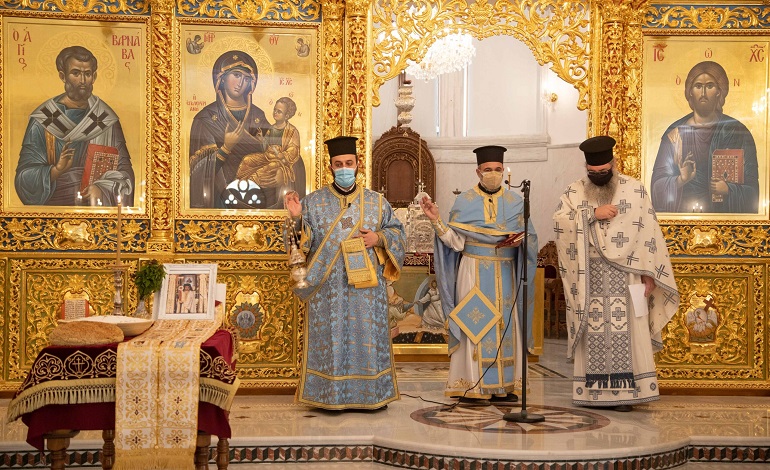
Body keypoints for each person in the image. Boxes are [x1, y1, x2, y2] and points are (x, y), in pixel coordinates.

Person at [553, 135, 680, 412]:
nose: (598, 176)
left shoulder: (635, 190)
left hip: (629, 275)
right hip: (590, 277)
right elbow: (560, 223)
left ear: (613, 164)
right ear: (586, 169)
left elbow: (649, 234)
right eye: (593, 172)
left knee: (631, 329)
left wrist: (649, 274)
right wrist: (591, 213)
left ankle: (628, 393)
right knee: (595, 331)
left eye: (604, 171)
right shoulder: (574, 192)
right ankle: (594, 393)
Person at [284, 135, 406, 410]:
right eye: (338, 164)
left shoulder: (377, 202)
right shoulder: (312, 203)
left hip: (367, 291)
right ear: (330, 167)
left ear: (358, 164)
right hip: (329, 290)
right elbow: (298, 247)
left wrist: (379, 238)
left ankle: (371, 395)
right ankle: (328, 395)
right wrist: (296, 218)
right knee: (332, 340)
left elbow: (398, 233)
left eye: (348, 163)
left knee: (367, 339)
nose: (344, 168)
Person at [419, 145, 537, 401]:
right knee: (475, 324)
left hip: (506, 271)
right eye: (488, 169)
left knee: (507, 324)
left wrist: (521, 241)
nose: (493, 174)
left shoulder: (516, 202)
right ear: (478, 172)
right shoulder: (465, 202)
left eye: (498, 169)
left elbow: (531, 237)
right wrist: (436, 220)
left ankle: (505, 385)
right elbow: (454, 242)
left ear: (503, 170)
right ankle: (473, 385)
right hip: (472, 271)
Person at [15, 45, 135, 206]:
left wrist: (101, 189)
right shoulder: (44, 118)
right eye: (76, 73)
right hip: (53, 211)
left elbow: (125, 174)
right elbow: (24, 178)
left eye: (87, 74)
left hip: (95, 211)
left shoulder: (105, 118)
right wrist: (56, 170)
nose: (82, 81)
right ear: (63, 76)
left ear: (94, 77)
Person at [650, 60, 758, 213]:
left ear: (719, 91)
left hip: (725, 221)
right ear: (690, 91)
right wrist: (681, 180)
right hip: (683, 219)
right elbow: (657, 187)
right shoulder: (675, 134)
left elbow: (753, 191)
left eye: (709, 86)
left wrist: (728, 189)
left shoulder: (738, 132)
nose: (703, 93)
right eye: (698, 86)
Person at [189, 50, 270, 208]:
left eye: (246, 78)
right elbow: (197, 171)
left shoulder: (258, 116)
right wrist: (226, 148)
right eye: (236, 75)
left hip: (257, 196)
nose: (241, 83)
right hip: (220, 200)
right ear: (222, 78)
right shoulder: (205, 119)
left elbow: (278, 155)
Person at [236, 96, 305, 208]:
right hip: (268, 156)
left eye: (279, 111)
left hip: (281, 162)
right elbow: (266, 146)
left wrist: (282, 155)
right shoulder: (271, 128)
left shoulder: (292, 131)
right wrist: (261, 140)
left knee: (270, 167)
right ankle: (239, 181)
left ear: (287, 115)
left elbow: (294, 150)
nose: (275, 113)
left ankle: (249, 183)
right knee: (247, 160)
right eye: (275, 110)